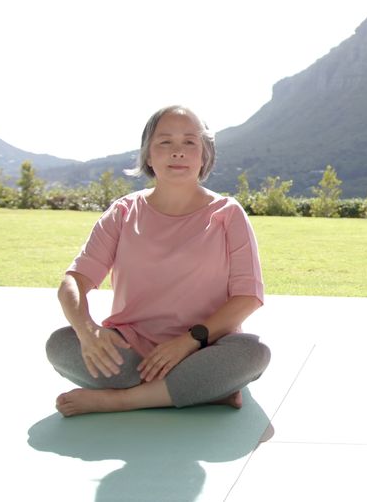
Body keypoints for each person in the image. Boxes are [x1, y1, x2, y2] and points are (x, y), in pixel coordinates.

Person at [46, 105, 270, 417]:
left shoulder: (227, 214)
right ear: (148, 156)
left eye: (189, 142)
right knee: (60, 344)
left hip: (204, 347)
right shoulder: (123, 212)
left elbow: (248, 297)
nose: (178, 151)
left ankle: (123, 399)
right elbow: (74, 281)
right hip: (132, 352)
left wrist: (187, 342)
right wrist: (88, 332)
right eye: (165, 142)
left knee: (252, 353)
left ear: (204, 156)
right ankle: (195, 391)